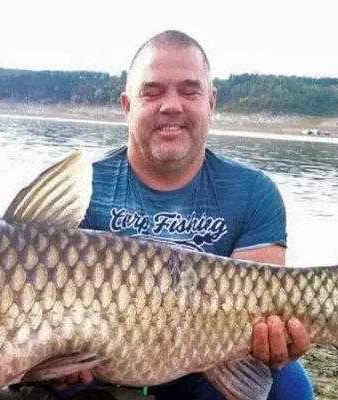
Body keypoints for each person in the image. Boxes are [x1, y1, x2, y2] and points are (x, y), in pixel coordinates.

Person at [55, 30, 314, 399]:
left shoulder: (254, 191)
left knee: (289, 384)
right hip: (101, 369)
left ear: (211, 101)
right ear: (127, 105)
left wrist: (275, 338)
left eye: (189, 91)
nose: (171, 105)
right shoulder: (81, 189)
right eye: (153, 91)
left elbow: (266, 307)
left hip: (203, 365)